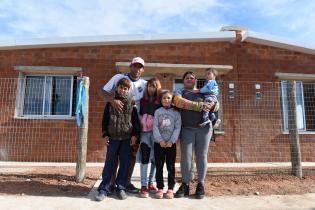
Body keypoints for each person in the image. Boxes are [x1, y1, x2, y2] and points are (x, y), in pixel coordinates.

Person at [101, 56, 147, 194]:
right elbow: (103, 90)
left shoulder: (144, 84)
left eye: (140, 67)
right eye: (135, 66)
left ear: (143, 69)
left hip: (133, 125)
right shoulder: (118, 78)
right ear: (130, 66)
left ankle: (124, 183)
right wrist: (112, 101)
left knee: (130, 155)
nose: (137, 69)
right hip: (115, 125)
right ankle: (110, 184)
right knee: (113, 157)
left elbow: (157, 96)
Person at [96, 78, 141, 201]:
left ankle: (120, 188)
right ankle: (104, 188)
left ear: (128, 90)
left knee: (124, 163)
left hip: (126, 139)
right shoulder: (110, 103)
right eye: (121, 87)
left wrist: (134, 135)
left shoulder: (132, 103)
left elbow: (135, 121)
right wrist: (105, 134)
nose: (123, 90)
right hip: (113, 138)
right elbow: (105, 120)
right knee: (109, 163)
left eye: (125, 88)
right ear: (117, 88)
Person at [173, 71, 214, 199]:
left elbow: (214, 100)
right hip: (187, 129)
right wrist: (199, 106)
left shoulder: (203, 91)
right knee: (186, 158)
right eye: (187, 78)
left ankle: (200, 184)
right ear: (183, 80)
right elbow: (178, 102)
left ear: (195, 80)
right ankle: (185, 184)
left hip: (204, 129)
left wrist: (213, 104)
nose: (190, 79)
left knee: (202, 156)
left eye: (192, 78)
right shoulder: (179, 91)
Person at [153, 90, 181, 199]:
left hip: (171, 144)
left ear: (172, 100)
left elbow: (177, 127)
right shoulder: (157, 112)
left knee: (170, 166)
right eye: (164, 98)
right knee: (159, 166)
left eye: (169, 98)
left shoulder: (176, 113)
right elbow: (155, 126)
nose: (166, 100)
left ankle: (170, 188)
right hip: (159, 143)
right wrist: (160, 140)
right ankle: (160, 188)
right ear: (161, 100)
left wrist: (171, 141)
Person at [138, 78, 161, 198]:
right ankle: (143, 185)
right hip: (145, 133)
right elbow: (137, 114)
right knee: (145, 157)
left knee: (156, 159)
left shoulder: (160, 101)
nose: (151, 88)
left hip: (157, 134)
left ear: (158, 88)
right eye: (149, 86)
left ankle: (151, 182)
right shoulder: (142, 100)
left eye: (154, 86)